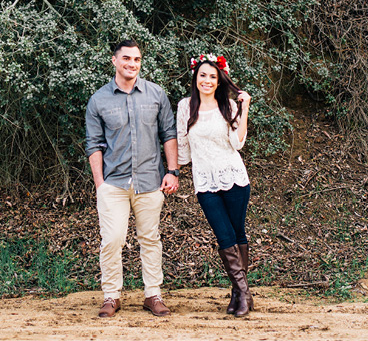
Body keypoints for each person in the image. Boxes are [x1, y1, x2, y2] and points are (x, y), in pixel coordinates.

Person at [85, 39, 180, 318]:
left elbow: (169, 134)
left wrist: (172, 171)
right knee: (112, 239)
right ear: (114, 61)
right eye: (126, 58)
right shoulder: (98, 100)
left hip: (150, 180)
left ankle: (153, 294)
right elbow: (94, 144)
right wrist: (100, 184)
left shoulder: (156, 94)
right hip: (113, 184)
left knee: (150, 238)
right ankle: (111, 296)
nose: (132, 64)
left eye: (136, 59)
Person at [177, 53, 253, 317]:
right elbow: (183, 150)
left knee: (237, 234)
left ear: (220, 80)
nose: (207, 81)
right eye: (202, 76)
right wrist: (172, 169)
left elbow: (238, 143)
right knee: (224, 236)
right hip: (205, 183)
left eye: (212, 76)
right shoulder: (185, 106)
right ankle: (243, 292)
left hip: (234, 177)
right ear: (195, 78)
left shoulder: (229, 106)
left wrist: (244, 110)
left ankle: (239, 294)